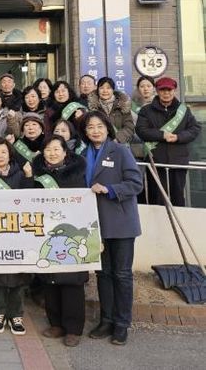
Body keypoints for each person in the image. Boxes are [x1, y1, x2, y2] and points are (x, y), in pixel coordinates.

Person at [82, 111, 143, 346]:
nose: (95, 130)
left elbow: (136, 183)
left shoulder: (120, 151)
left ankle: (122, 323)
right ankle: (106, 320)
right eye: (90, 127)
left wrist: (110, 190)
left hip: (121, 222)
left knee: (122, 274)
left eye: (99, 126)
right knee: (103, 274)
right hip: (95, 223)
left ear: (108, 128)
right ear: (85, 131)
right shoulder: (83, 154)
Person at [32, 136, 88, 347]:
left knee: (72, 280)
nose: (52, 153)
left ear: (65, 152)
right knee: (50, 279)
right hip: (45, 232)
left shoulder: (78, 173)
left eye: (56, 149)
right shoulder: (37, 175)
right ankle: (55, 323)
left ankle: (73, 329)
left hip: (72, 232)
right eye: (48, 149)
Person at [0, 137, 33, 336]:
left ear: (10, 154)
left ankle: (16, 314)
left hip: (17, 230)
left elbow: (29, 200)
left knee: (18, 273)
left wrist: (28, 177)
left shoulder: (20, 174)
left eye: (3, 152)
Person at [135, 76, 201, 206]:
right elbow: (141, 130)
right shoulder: (146, 110)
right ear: (157, 91)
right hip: (156, 161)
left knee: (178, 197)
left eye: (169, 90)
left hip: (178, 161)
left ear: (174, 90)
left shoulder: (184, 110)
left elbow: (195, 128)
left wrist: (179, 137)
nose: (166, 93)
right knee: (157, 197)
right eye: (162, 90)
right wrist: (162, 135)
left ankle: (178, 219)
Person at [87, 77, 135, 144]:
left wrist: (117, 139)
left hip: (119, 143)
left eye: (108, 88)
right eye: (101, 88)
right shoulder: (92, 107)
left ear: (113, 90)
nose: (105, 91)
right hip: (97, 143)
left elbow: (129, 127)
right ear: (97, 90)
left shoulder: (123, 105)